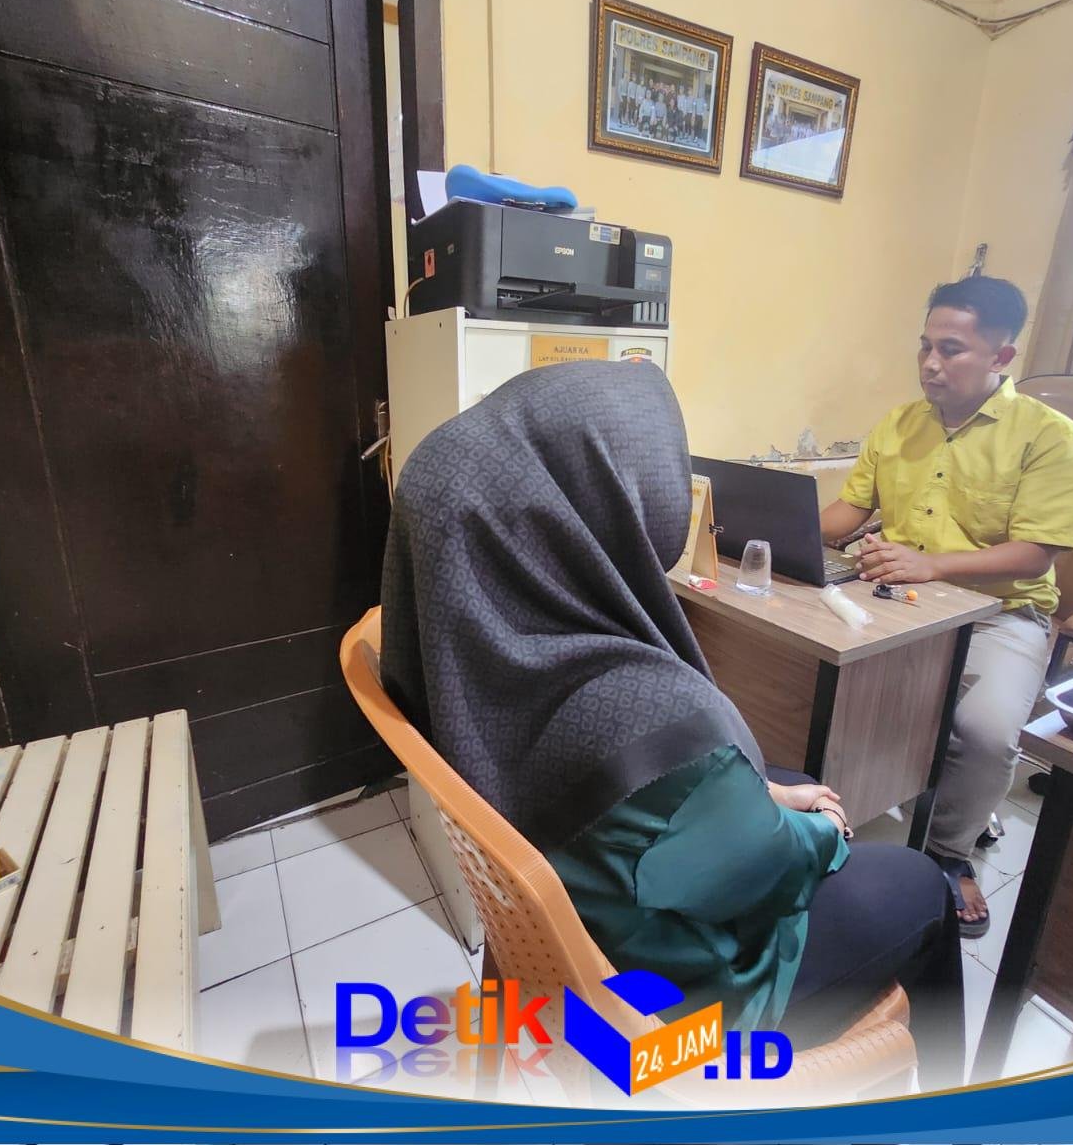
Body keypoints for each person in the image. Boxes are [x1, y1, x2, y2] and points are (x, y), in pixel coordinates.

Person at [381, 361, 965, 1089]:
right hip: (667, 1027)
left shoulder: (473, 648)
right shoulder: (647, 715)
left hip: (573, 924)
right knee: (921, 884)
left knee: (782, 779)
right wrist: (822, 832)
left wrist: (760, 792)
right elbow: (768, 867)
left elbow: (684, 799)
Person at [820, 276, 1073, 939]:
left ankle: (947, 852)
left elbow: (1036, 554)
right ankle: (823, 819)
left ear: (1001, 356)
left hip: (1000, 612)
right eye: (925, 346)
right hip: (896, 597)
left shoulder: (1050, 436)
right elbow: (848, 513)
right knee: (816, 672)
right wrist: (764, 525)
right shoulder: (899, 424)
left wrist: (933, 563)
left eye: (951, 349)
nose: (930, 364)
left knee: (988, 732)